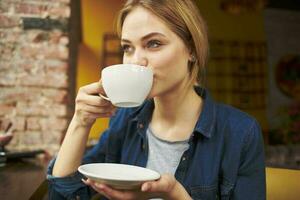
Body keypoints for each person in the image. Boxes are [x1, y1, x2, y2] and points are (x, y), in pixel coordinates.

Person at [47, 0, 266, 199]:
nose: (136, 61)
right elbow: (66, 194)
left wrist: (177, 196)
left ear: (191, 49)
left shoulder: (241, 133)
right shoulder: (125, 120)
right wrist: (80, 123)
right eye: (127, 48)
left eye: (153, 44)